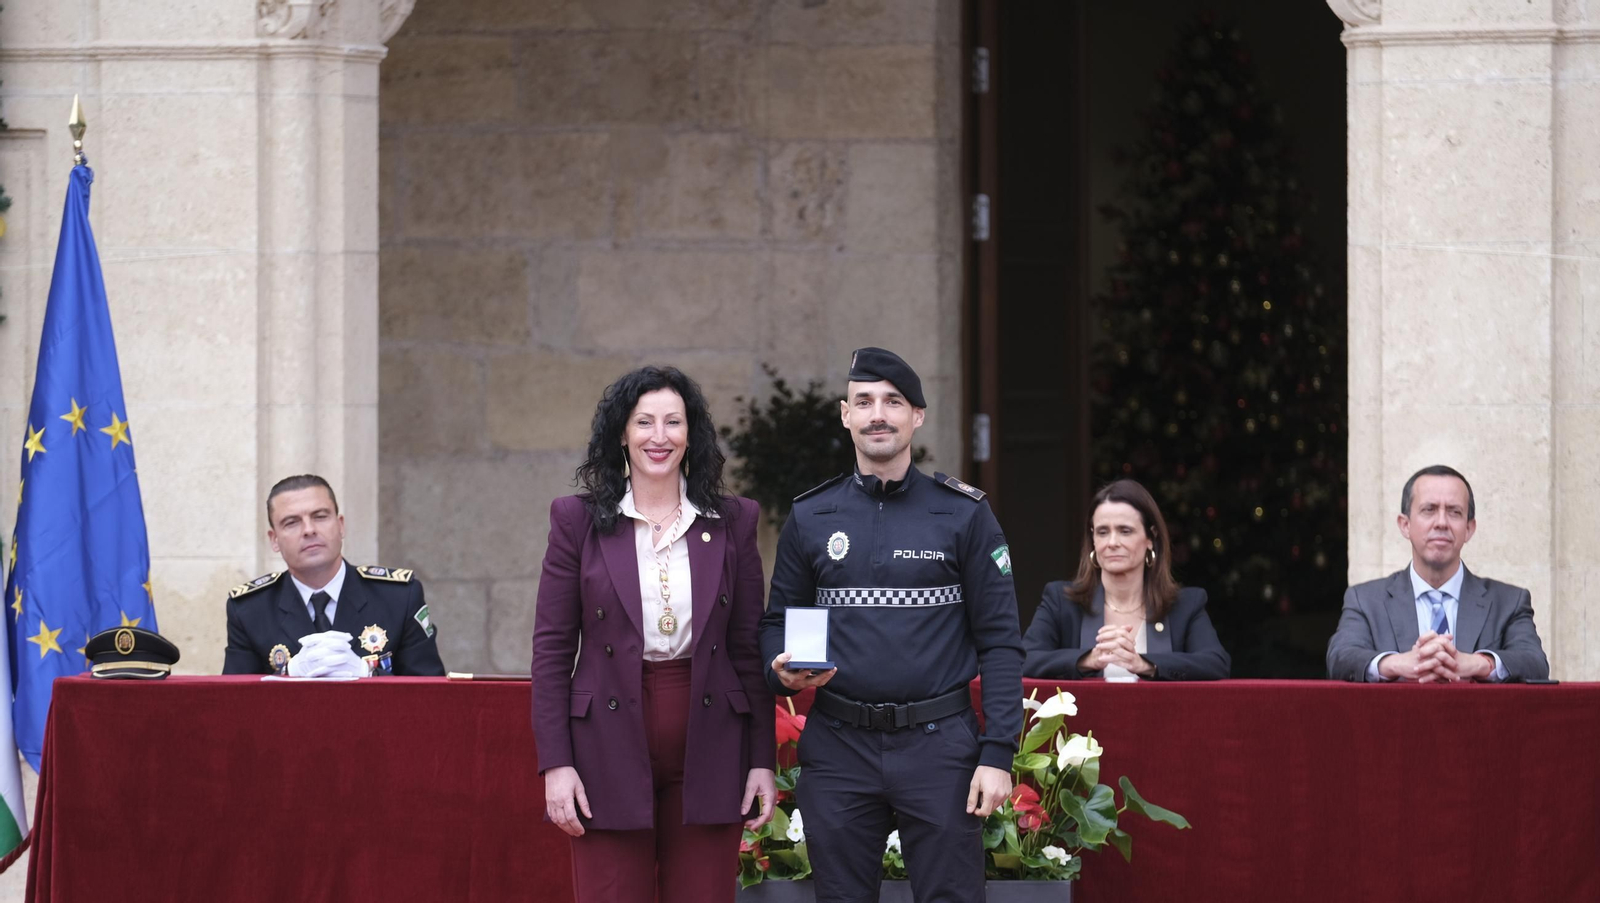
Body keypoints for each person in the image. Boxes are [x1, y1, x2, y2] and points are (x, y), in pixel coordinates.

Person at [758, 347, 1024, 903]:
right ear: (845, 415)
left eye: (893, 401)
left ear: (917, 416)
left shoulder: (964, 514)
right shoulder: (811, 516)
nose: (877, 414)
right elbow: (777, 621)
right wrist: (779, 670)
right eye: (864, 401)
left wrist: (998, 752)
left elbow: (1000, 642)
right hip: (838, 747)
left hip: (940, 746)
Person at [530, 366, 775, 903]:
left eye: (673, 422)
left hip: (711, 738)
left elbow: (745, 647)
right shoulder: (576, 520)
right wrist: (557, 763)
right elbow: (551, 650)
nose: (658, 437)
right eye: (644, 422)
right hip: (604, 741)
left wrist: (762, 760)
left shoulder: (733, 520)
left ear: (691, 434)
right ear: (622, 432)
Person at [1326, 464, 1549, 682]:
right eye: (1429, 510)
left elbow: (1535, 663)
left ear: (1469, 529)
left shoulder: (1509, 602)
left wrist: (1479, 663)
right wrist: (1396, 663)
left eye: (1454, 512)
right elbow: (1340, 658)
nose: (1441, 523)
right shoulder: (1365, 599)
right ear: (1405, 525)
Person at [223, 474, 445, 676]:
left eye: (320, 517)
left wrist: (368, 674)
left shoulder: (398, 597)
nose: (309, 530)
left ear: (340, 526)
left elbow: (430, 692)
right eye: (292, 522)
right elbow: (234, 699)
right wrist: (287, 673)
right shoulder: (250, 610)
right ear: (274, 540)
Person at [1023, 479, 1230, 681]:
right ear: (1093, 539)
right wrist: (1088, 659)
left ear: (1151, 538)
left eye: (1125, 531)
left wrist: (1145, 664)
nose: (1112, 542)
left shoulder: (1185, 605)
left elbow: (1216, 663)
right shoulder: (1061, 601)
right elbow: (1024, 659)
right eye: (1103, 532)